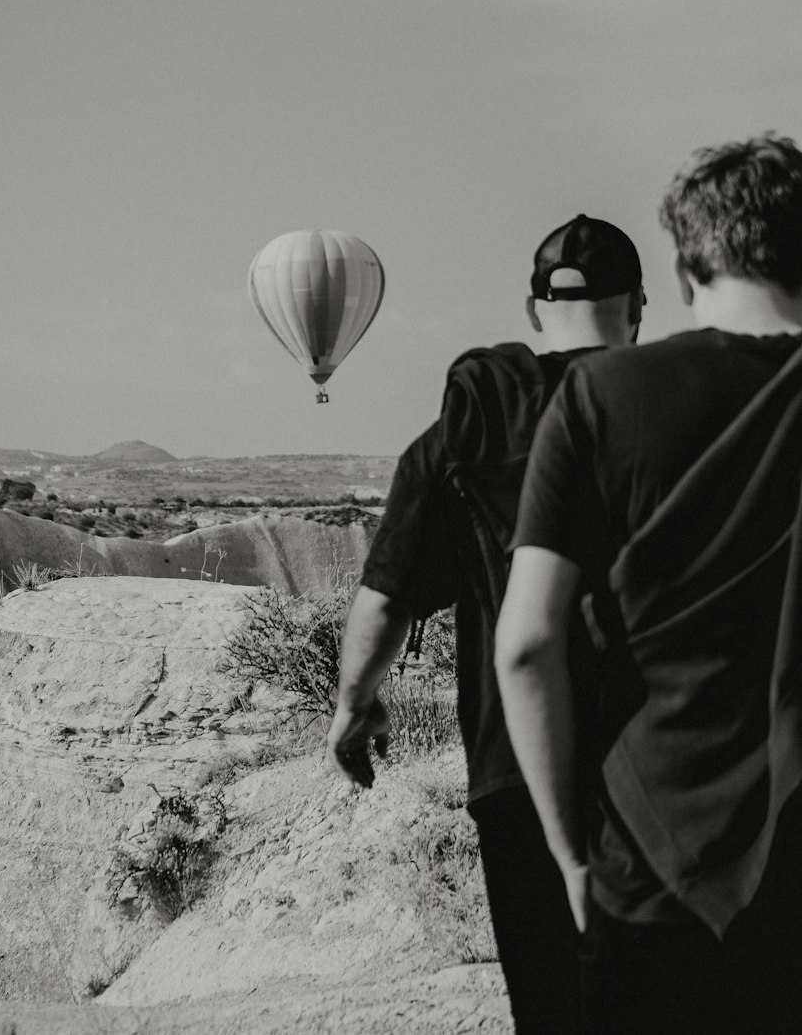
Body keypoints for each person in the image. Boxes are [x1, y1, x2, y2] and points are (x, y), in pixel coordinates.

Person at [496, 133, 802, 1035]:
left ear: (679, 267)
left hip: (649, 855)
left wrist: (568, 856)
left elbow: (525, 645)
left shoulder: (601, 401)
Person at [327, 214, 644, 1035]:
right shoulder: (671, 413)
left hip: (514, 768)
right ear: (639, 307)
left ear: (535, 310)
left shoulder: (469, 429)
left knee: (552, 1007)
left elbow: (387, 594)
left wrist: (353, 702)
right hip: (658, 763)